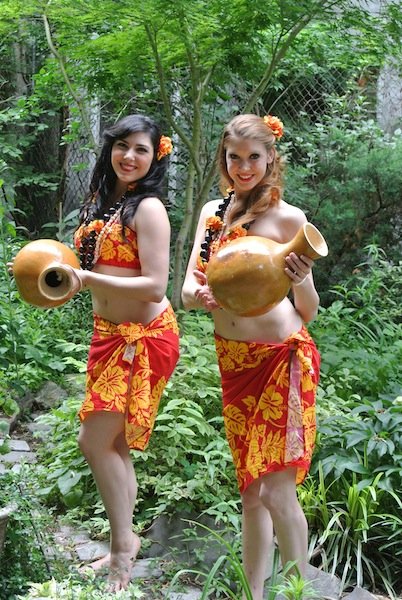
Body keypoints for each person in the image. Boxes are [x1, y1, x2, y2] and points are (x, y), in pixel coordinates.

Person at [9, 114, 180, 592]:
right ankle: (121, 545)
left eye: (141, 149)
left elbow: (153, 286)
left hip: (144, 337)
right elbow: (79, 262)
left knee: (93, 440)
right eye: (122, 146)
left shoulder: (148, 209)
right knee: (112, 443)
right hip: (109, 334)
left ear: (155, 156)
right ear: (110, 149)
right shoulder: (102, 202)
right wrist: (35, 265)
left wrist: (89, 280)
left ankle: (123, 549)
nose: (129, 156)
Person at [181, 114, 321, 600]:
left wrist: (299, 274)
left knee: (277, 491)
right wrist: (199, 297)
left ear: (270, 158)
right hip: (233, 360)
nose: (243, 168)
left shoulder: (289, 218)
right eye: (234, 158)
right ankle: (254, 594)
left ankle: (300, 592)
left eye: (253, 158)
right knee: (250, 492)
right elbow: (185, 289)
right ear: (224, 158)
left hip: (280, 358)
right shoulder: (212, 214)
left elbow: (309, 311)